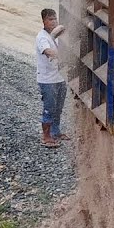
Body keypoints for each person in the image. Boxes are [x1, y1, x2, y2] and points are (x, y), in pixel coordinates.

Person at [36, 8, 68, 148]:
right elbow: (48, 51)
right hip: (47, 80)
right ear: (43, 21)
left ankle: (56, 132)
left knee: (58, 108)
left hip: (59, 78)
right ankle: (46, 137)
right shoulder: (42, 37)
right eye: (50, 19)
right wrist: (62, 54)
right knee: (49, 108)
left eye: (55, 19)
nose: (54, 22)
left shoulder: (53, 36)